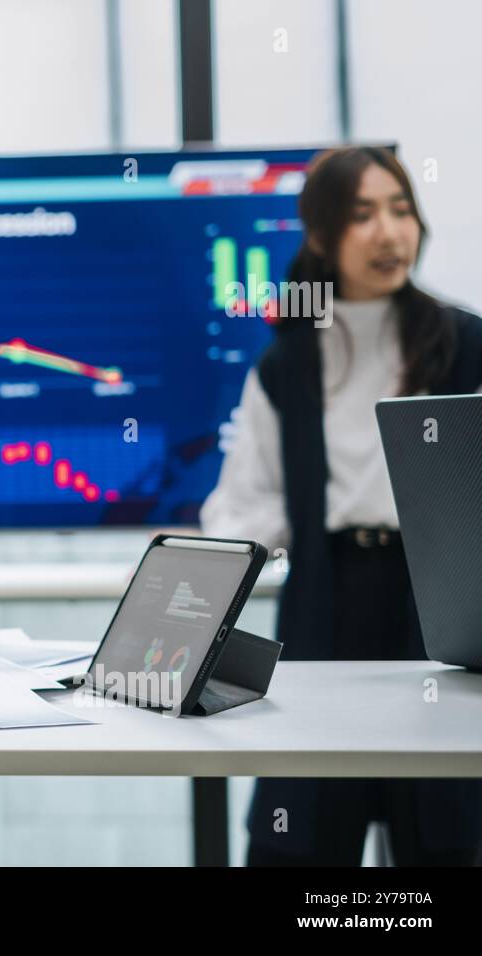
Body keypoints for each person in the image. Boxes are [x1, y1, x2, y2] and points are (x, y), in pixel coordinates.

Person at [201, 145, 482, 866]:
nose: (389, 233)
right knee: (305, 827)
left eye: (400, 210)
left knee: (448, 825)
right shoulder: (288, 361)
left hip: (444, 609)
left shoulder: (466, 342)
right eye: (363, 216)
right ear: (322, 236)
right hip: (326, 600)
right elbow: (237, 507)